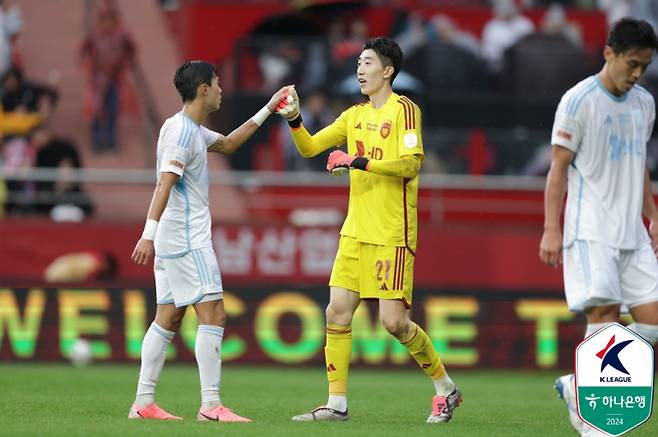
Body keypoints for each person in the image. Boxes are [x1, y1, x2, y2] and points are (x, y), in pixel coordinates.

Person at [276, 37, 462, 423]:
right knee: (337, 312)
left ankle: (445, 388)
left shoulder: (405, 111)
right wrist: (295, 119)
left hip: (392, 232)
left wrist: (359, 161)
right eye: (358, 63)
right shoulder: (353, 116)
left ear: (388, 70)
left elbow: (410, 165)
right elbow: (310, 148)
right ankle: (336, 404)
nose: (360, 69)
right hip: (354, 231)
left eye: (367, 62)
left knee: (393, 323)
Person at [129, 60, 288, 421]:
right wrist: (146, 235)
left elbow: (230, 144)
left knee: (167, 318)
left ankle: (143, 403)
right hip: (187, 238)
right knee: (214, 312)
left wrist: (269, 107)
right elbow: (164, 183)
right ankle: (211, 406)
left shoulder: (185, 128)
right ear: (203, 89)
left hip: (174, 238)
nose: (220, 90)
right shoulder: (184, 134)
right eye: (216, 84)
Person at [539, 18, 658, 436]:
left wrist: (654, 214)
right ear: (609, 52)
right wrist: (551, 228)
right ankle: (596, 423)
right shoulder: (579, 101)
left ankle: (577, 383)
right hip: (591, 230)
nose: (638, 73)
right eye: (632, 63)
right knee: (604, 318)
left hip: (633, 233)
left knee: (653, 325)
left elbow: (637, 162)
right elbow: (558, 168)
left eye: (644, 65)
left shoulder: (645, 102)